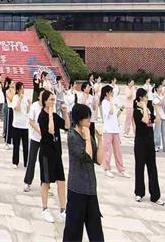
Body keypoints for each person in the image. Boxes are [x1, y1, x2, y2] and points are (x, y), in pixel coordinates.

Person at [62, 103, 104, 242]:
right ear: (79, 120)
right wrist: (86, 139)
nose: (89, 121)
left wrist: (100, 140)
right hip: (77, 189)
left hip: (91, 189)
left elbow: (99, 160)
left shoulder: (88, 136)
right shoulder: (72, 136)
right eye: (87, 118)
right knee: (73, 232)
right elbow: (87, 157)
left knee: (96, 231)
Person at [37, 90, 69, 223]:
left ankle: (63, 209)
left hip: (57, 153)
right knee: (46, 182)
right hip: (46, 154)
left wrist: (65, 113)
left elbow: (67, 126)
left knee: (61, 181)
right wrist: (50, 114)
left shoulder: (55, 116)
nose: (53, 102)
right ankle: (45, 209)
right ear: (45, 101)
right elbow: (50, 130)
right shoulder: (42, 116)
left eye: (54, 100)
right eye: (51, 99)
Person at [133, 88, 164, 205]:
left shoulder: (149, 109)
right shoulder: (136, 111)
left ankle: (155, 196)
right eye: (146, 96)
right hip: (140, 142)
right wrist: (145, 107)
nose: (147, 98)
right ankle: (139, 193)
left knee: (152, 168)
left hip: (150, 141)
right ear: (141, 98)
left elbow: (158, 120)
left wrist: (156, 108)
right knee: (139, 167)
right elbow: (145, 120)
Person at [100, 84, 129, 178]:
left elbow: (115, 115)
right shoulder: (104, 102)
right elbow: (110, 112)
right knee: (107, 151)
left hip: (115, 129)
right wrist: (111, 101)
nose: (113, 93)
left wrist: (120, 109)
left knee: (118, 151)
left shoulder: (112, 102)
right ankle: (106, 169)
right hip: (108, 130)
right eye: (111, 92)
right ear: (107, 93)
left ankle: (121, 170)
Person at [24, 87, 42, 192]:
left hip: (45, 140)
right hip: (35, 137)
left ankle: (45, 185)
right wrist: (40, 131)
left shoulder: (49, 107)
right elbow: (31, 121)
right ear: (38, 96)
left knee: (45, 162)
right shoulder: (34, 106)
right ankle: (27, 182)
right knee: (32, 160)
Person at [12, 81, 30, 169]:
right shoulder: (15, 98)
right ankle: (15, 162)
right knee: (16, 144)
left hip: (25, 125)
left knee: (26, 145)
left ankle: (26, 162)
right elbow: (17, 109)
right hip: (17, 124)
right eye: (21, 89)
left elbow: (27, 111)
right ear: (17, 90)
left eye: (23, 88)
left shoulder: (26, 97)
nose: (23, 90)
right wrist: (20, 99)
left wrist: (29, 104)